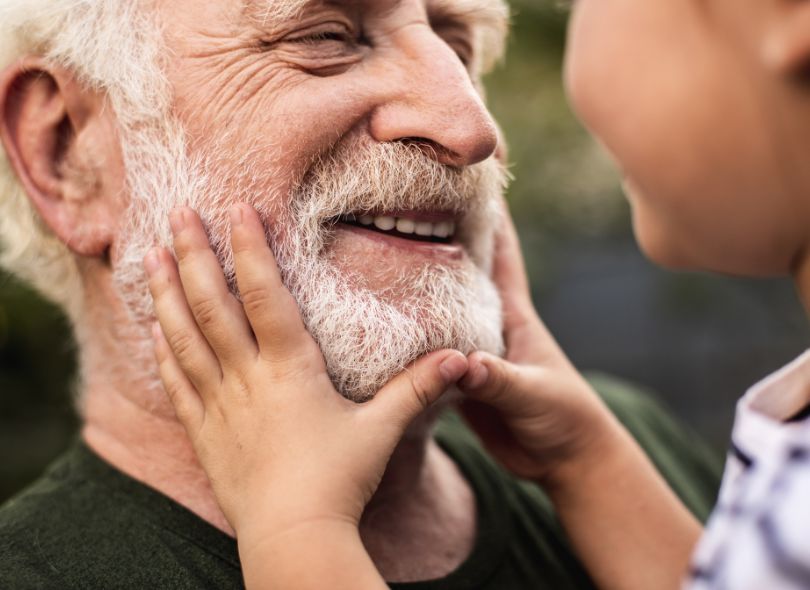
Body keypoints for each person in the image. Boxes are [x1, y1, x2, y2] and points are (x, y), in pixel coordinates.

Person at [0, 0, 720, 588]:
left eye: (456, 42)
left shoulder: (634, 446)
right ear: (66, 151)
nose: (471, 129)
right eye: (326, 35)